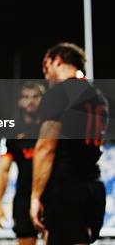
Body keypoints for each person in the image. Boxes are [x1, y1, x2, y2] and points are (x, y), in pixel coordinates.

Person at [31, 42, 110, 244]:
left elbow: (46, 148)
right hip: (93, 184)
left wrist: (35, 196)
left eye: (46, 66)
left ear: (58, 61)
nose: (45, 73)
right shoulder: (99, 97)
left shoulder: (59, 93)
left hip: (66, 186)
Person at [0, 82, 44, 244]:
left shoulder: (51, 127)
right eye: (26, 97)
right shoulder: (12, 132)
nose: (31, 101)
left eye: (35, 96)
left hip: (50, 195)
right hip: (24, 197)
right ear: (19, 101)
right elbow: (3, 170)